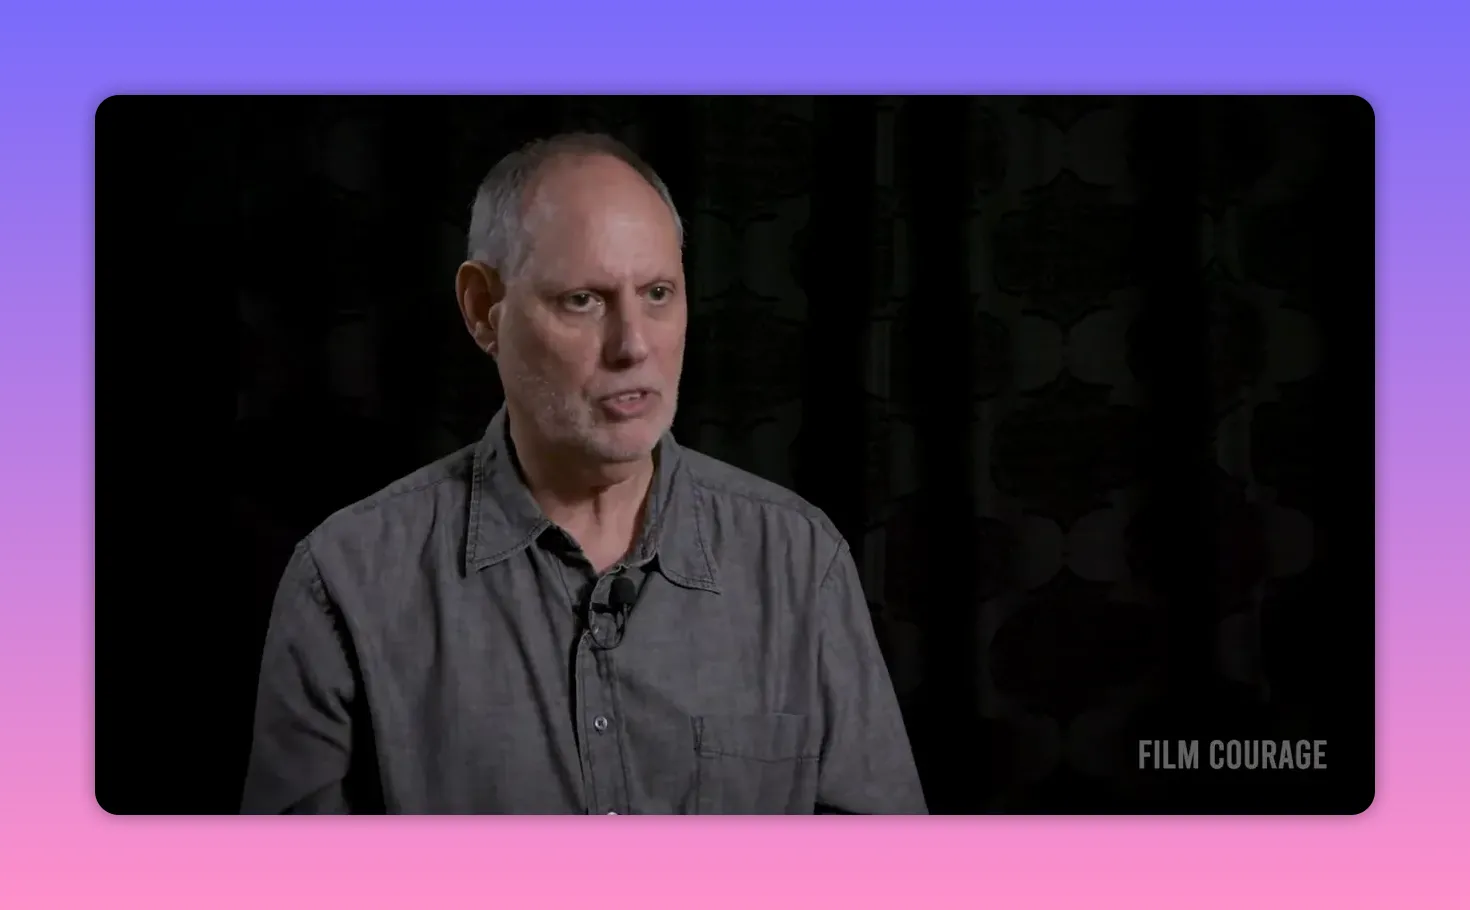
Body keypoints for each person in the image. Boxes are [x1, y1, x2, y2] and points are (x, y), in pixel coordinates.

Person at [240, 132, 926, 815]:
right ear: (484, 309)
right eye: (583, 300)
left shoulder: (801, 563)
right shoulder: (347, 581)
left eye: (658, 292)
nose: (633, 345)